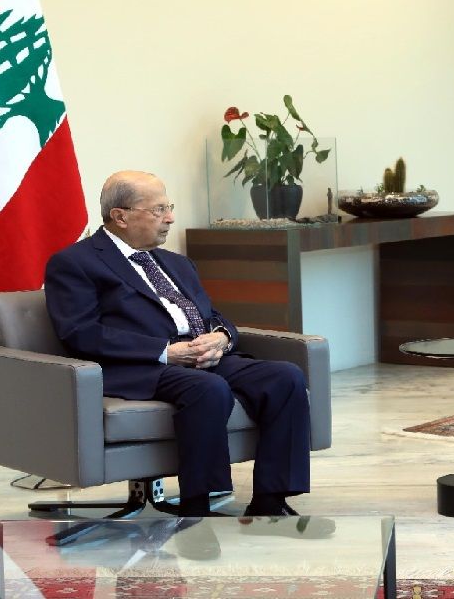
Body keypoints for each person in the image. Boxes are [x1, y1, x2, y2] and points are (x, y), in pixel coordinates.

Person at [45, 170, 311, 517]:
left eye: (169, 207)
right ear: (120, 216)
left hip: (198, 355)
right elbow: (80, 332)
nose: (170, 218)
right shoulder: (75, 263)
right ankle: (197, 504)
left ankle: (270, 500)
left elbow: (211, 314)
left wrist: (221, 337)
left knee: (285, 377)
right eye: (159, 210)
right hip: (138, 366)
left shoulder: (177, 263)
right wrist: (165, 352)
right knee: (207, 388)